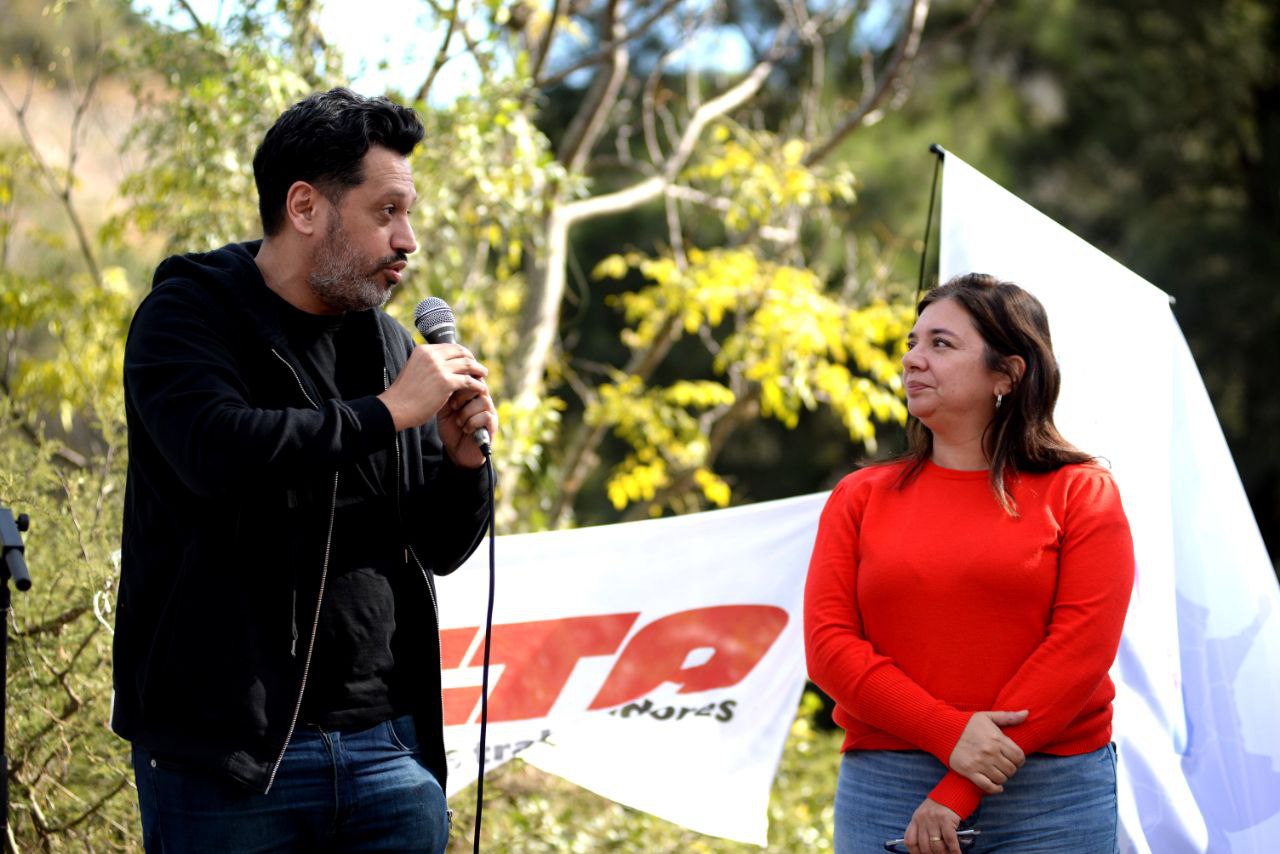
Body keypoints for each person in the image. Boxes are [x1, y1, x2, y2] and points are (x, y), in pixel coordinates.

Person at [112, 88, 498, 853]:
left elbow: (442, 547)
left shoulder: (386, 346)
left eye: (409, 214)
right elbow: (217, 452)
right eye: (386, 212)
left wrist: (460, 463)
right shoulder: (189, 314)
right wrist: (386, 413)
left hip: (387, 751)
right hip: (228, 762)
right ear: (305, 206)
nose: (408, 239)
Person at [804, 273, 1135, 854]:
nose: (912, 360)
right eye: (911, 343)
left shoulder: (1082, 492)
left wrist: (958, 789)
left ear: (1007, 373)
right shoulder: (859, 496)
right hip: (889, 787)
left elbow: (1079, 652)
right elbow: (830, 648)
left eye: (940, 344)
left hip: (1053, 795)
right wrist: (947, 732)